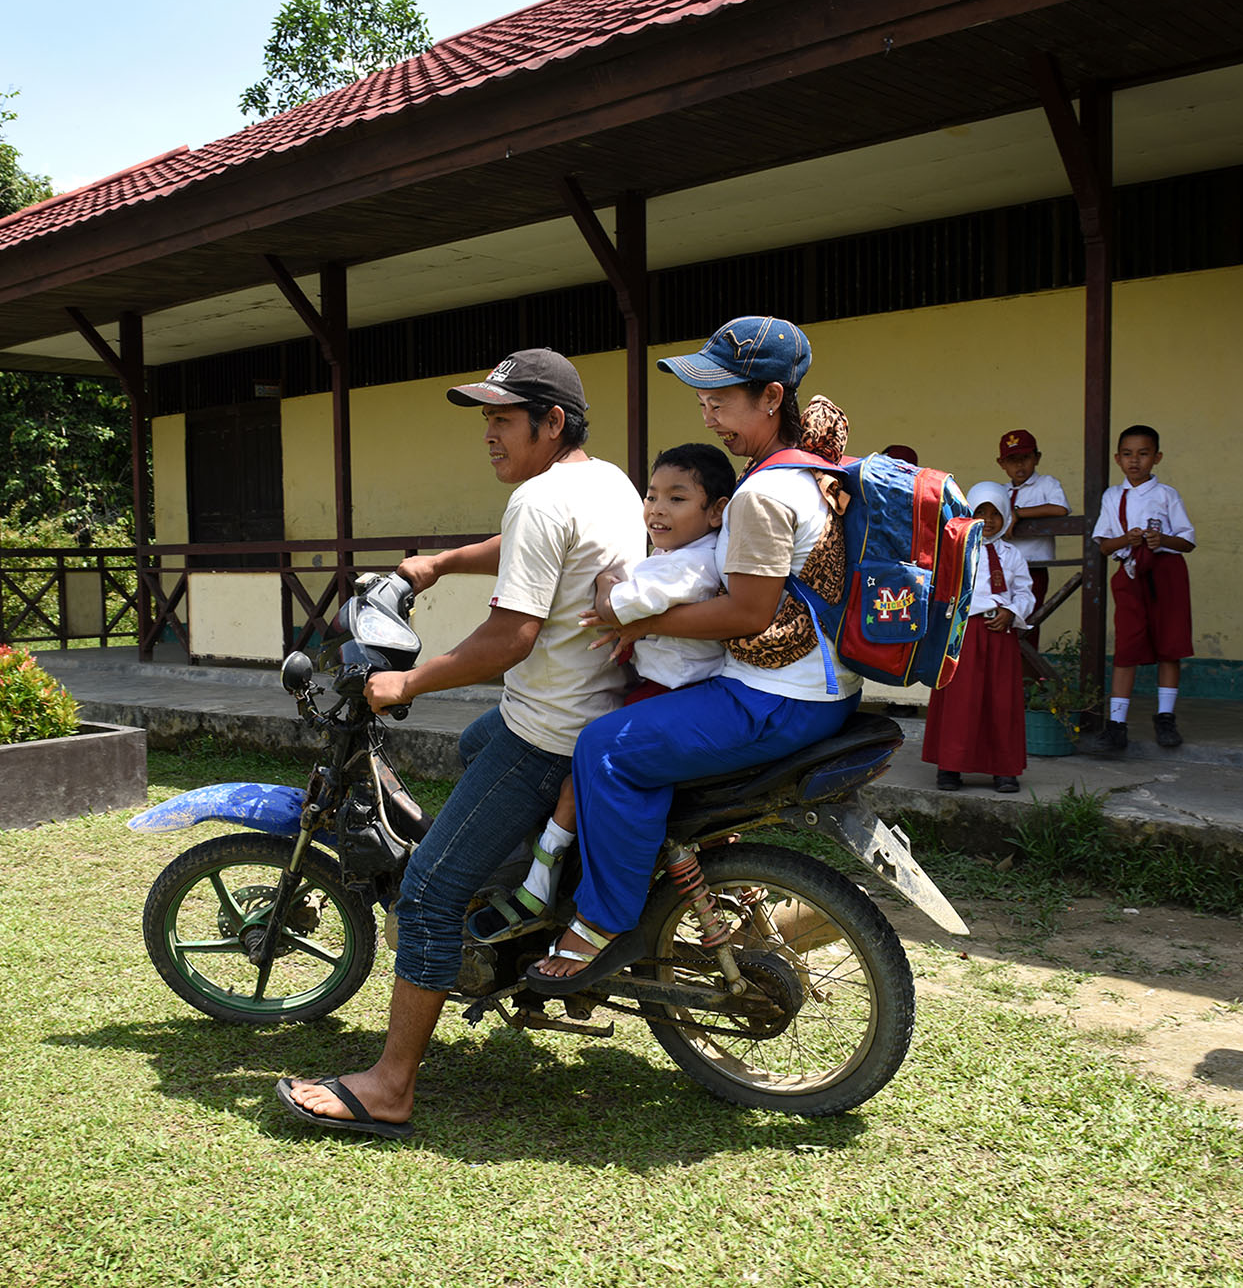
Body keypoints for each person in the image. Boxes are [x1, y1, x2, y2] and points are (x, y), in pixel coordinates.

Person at [277, 347, 642, 1138]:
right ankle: (526, 907)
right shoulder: (607, 482)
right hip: (589, 712)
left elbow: (510, 637)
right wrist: (439, 563)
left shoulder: (539, 499)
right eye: (486, 418)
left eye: (503, 418)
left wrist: (406, 682)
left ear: (552, 421)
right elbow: (527, 549)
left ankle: (389, 1086)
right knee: (474, 745)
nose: (488, 433)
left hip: (547, 732)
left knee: (427, 893)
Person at [525, 315, 863, 992]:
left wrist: (636, 618)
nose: (708, 416)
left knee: (605, 749)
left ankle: (601, 920)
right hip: (820, 689)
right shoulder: (810, 470)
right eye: (703, 400)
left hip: (776, 698)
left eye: (722, 399)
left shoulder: (764, 492)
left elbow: (747, 613)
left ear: (771, 397)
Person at [464, 440, 735, 944]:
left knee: (584, 770)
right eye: (652, 496)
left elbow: (613, 606)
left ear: (716, 511)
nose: (657, 509)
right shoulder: (682, 553)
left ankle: (541, 882)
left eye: (677, 499)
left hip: (665, 693)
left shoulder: (687, 565)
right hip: (670, 687)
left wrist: (608, 581)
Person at [1077, 425, 1195, 756]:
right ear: (1117, 459)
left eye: (1143, 454)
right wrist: (1126, 539)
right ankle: (1117, 725)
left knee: (1170, 645)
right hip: (1130, 573)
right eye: (1128, 454)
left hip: (1166, 573)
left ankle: (1166, 717)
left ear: (1157, 457)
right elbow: (1104, 546)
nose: (1135, 461)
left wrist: (1162, 540)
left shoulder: (1167, 495)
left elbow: (1187, 541)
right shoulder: (1113, 497)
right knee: (1127, 647)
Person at [922, 482, 1036, 793]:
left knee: (1001, 701)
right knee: (960, 700)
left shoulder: (1012, 555)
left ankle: (1004, 770)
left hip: (1000, 632)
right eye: (981, 512)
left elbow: (1025, 592)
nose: (988, 520)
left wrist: (1011, 611)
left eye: (996, 513)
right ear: (970, 514)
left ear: (1006, 516)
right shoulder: (956, 550)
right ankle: (950, 766)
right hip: (963, 633)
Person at [995, 428, 1071, 656]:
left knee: (1028, 622)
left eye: (1026, 458)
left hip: (1034, 566)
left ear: (1037, 458)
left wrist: (1018, 514)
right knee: (1001, 620)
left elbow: (1060, 509)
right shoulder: (1001, 491)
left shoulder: (1046, 484)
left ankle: (1027, 673)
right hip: (1003, 569)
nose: (1020, 465)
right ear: (1001, 464)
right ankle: (1006, 670)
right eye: (1012, 460)